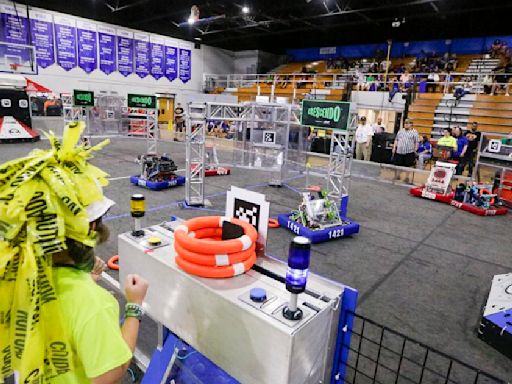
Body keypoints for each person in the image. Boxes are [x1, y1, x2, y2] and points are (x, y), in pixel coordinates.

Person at [0, 122, 149, 384]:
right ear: (89, 227)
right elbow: (111, 373)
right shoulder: (92, 303)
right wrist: (134, 306)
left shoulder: (19, 279)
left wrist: (82, 279)